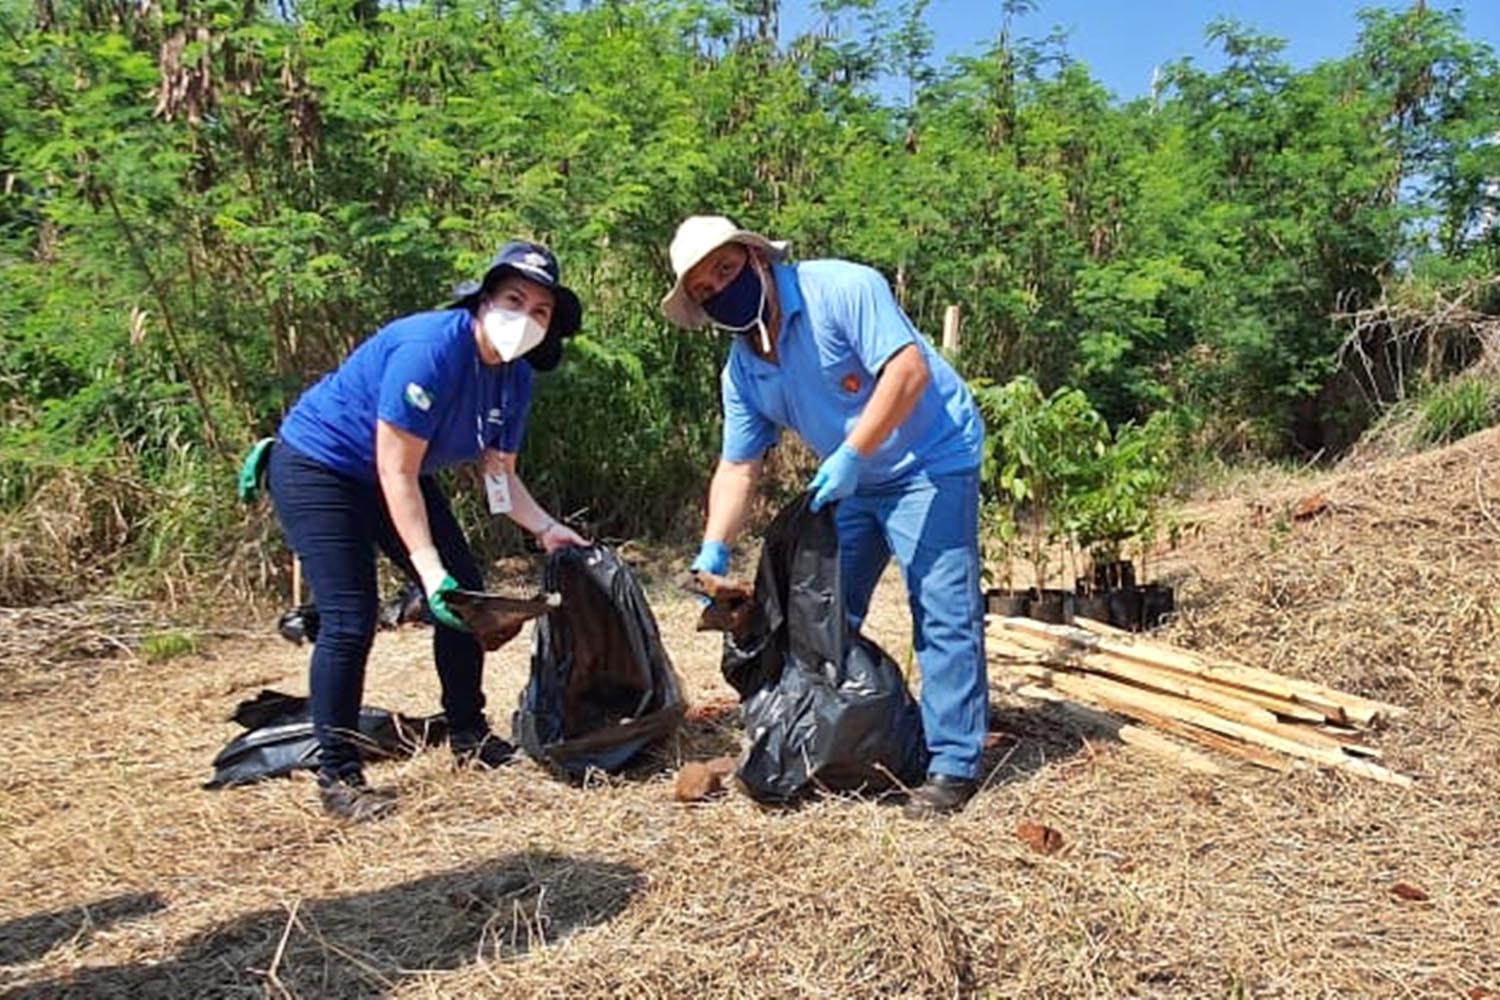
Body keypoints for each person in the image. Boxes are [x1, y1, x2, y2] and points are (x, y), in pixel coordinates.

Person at [662, 215, 989, 818]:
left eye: (726, 270)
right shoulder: (743, 369)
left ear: (757, 259)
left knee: (942, 608)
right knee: (818, 610)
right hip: (854, 477)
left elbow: (909, 370)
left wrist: (852, 455)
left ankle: (953, 763)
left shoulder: (842, 289)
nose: (720, 289)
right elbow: (739, 466)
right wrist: (714, 547)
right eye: (705, 290)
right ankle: (831, 737)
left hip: (931, 458)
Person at [260, 241, 589, 821]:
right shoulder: (431, 349)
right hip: (321, 467)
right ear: (483, 300)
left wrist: (546, 528)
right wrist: (428, 571)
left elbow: (499, 476)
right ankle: (338, 775)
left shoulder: (514, 379)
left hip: (393, 476)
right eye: (514, 300)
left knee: (465, 593)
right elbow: (396, 470)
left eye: (540, 310)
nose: (525, 317)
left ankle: (468, 734)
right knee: (350, 617)